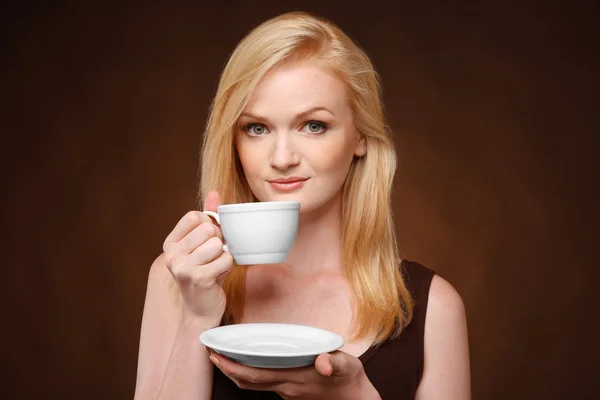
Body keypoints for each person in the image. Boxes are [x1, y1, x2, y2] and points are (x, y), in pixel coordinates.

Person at [134, 11, 470, 400]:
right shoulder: (179, 279)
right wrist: (196, 316)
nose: (282, 157)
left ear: (360, 135)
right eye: (256, 128)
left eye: (313, 125)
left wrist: (356, 394)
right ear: (233, 141)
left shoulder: (435, 308)